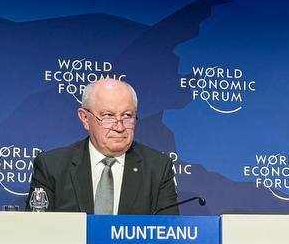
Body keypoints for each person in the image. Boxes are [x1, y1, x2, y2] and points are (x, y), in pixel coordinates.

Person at [28, 77, 178, 215]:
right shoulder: (52, 167)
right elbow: (36, 229)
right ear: (85, 118)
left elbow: (169, 230)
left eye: (127, 116)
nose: (119, 127)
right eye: (108, 116)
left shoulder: (158, 168)